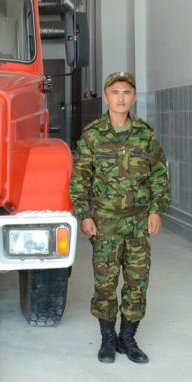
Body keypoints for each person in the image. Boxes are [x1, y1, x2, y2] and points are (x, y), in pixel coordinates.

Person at [69, 71, 170, 364]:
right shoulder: (92, 135)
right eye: (115, 92)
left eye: (127, 92)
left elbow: (159, 175)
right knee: (105, 282)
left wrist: (156, 210)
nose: (121, 98)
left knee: (137, 282)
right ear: (106, 97)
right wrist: (84, 215)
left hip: (139, 222)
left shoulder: (145, 134)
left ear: (134, 97)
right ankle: (108, 340)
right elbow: (80, 180)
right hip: (106, 223)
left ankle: (128, 338)